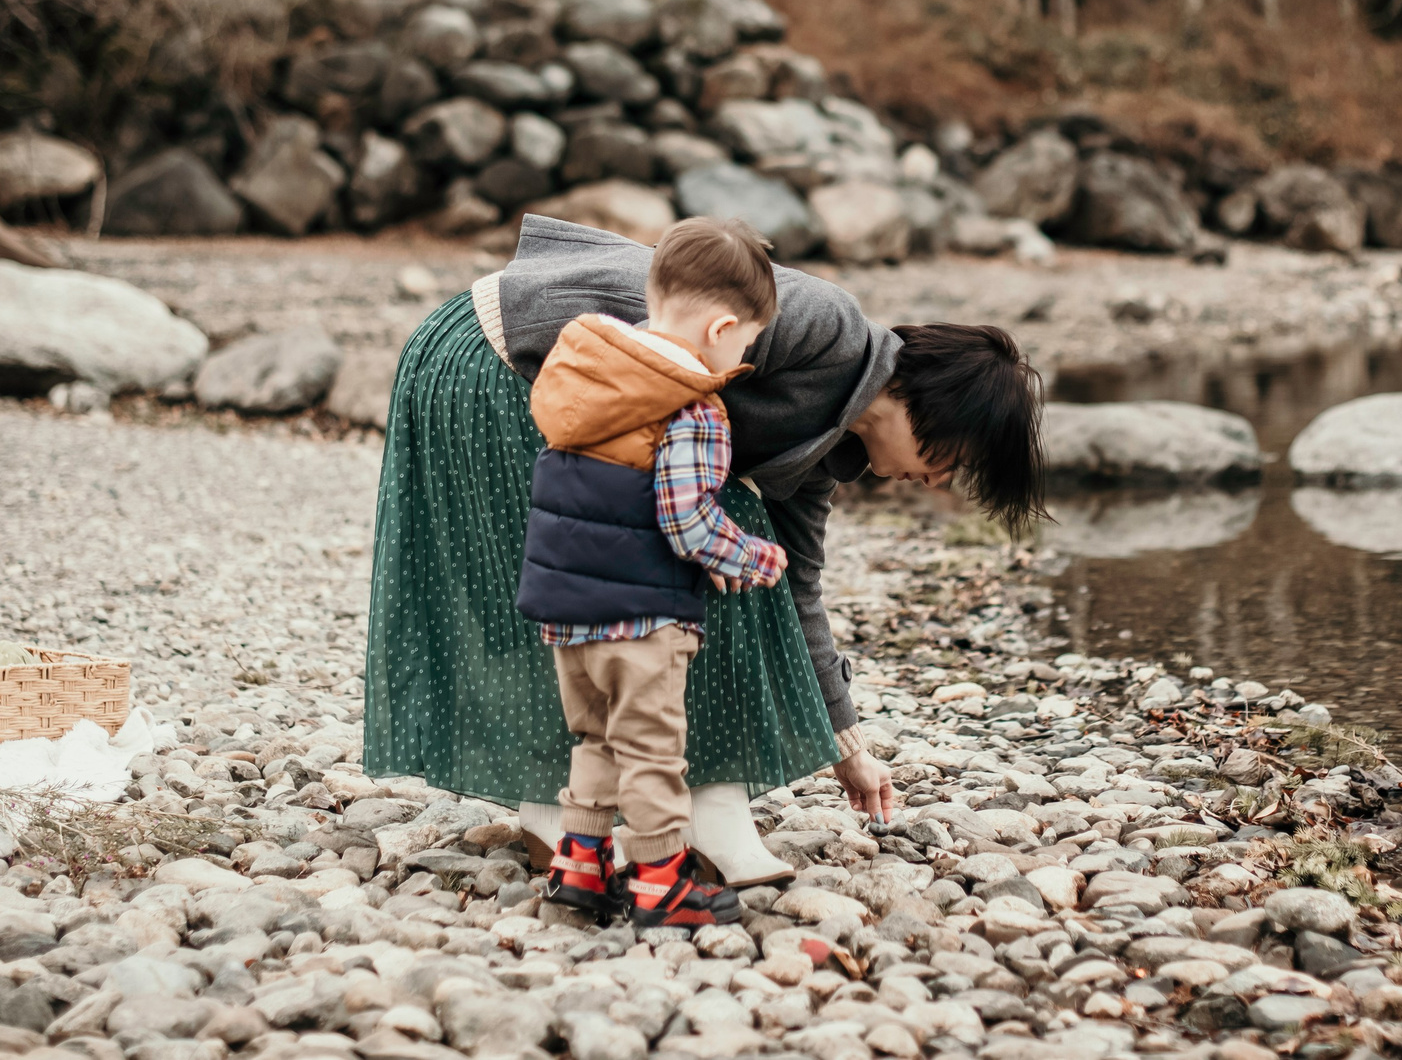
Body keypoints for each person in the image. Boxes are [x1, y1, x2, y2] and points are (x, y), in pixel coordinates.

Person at [363, 211, 1043, 875]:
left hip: (563, 375)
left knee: (725, 558)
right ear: (943, 410)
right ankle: (592, 812)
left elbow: (795, 590)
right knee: (580, 584)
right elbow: (647, 346)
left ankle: (682, 809)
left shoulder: (818, 459)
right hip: (504, 351)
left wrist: (847, 742)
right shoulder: (826, 325)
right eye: (954, 458)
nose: (941, 479)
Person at [518, 217, 788, 929]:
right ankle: (662, 880)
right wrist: (756, 555)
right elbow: (687, 521)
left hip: (568, 614)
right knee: (652, 751)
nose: (742, 355)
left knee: (597, 740)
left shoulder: (584, 374)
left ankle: (579, 867)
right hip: (644, 618)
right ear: (721, 327)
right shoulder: (690, 404)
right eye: (747, 343)